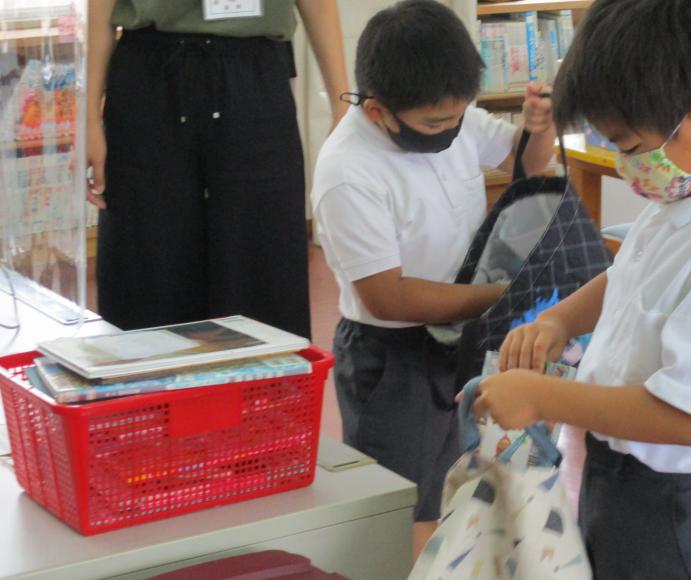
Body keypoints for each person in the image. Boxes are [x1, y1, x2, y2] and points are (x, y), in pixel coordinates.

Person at [472, 1, 691, 578]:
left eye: (629, 146)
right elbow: (629, 274)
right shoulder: (689, 194)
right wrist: (559, 320)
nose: (625, 167)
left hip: (684, 509)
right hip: (624, 480)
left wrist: (543, 398)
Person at [311, 0, 556, 558]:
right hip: (391, 356)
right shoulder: (348, 170)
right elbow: (388, 296)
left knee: (455, 483)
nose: (449, 131)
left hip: (460, 339)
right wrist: (503, 296)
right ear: (377, 110)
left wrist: (538, 128)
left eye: (458, 117)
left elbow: (526, 161)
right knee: (395, 504)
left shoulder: (452, 115)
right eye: (433, 125)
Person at [86, 0, 349, 336]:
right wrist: (88, 115)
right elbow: (100, 7)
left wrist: (342, 105)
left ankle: (264, 371)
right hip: (150, 72)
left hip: (254, 71)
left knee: (263, 261)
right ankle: (149, 370)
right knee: (148, 263)